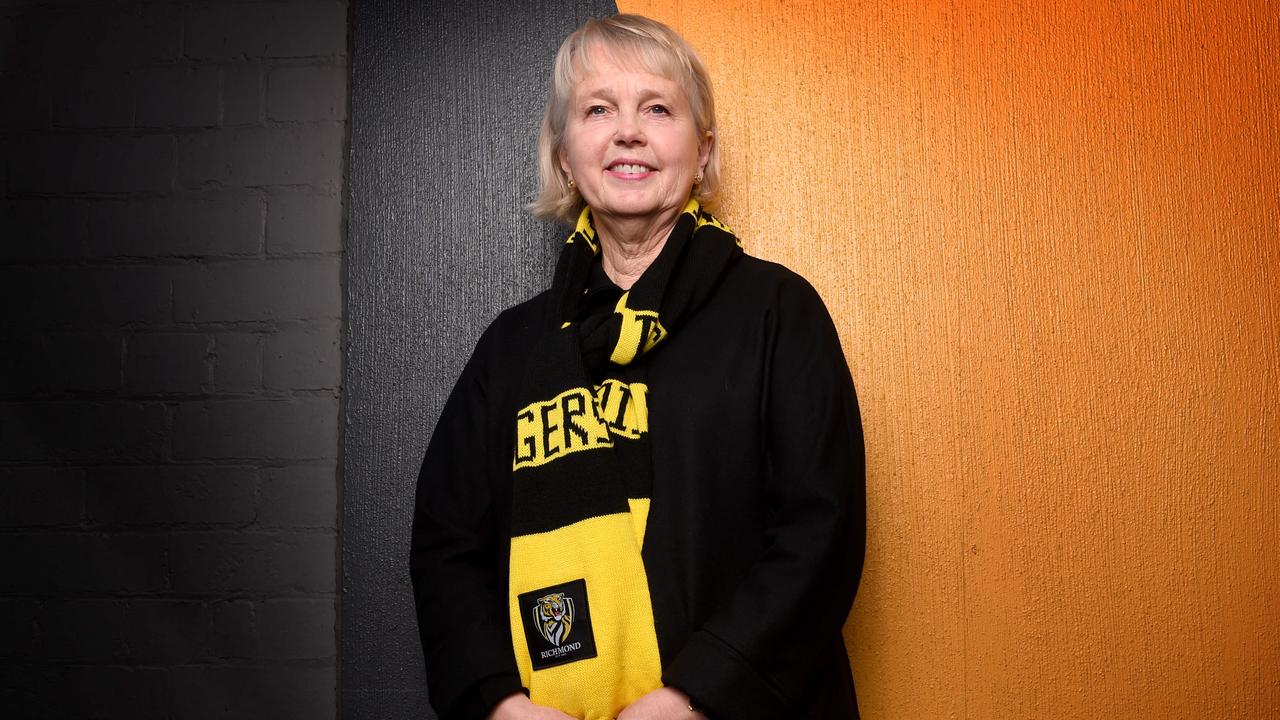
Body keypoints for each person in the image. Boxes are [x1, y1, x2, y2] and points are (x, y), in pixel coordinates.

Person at [410, 14, 865, 720]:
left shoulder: (779, 312)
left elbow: (820, 533)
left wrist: (696, 696)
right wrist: (499, 703)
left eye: (658, 108)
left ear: (703, 149)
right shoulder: (513, 348)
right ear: (565, 155)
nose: (629, 131)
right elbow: (447, 546)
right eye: (598, 109)